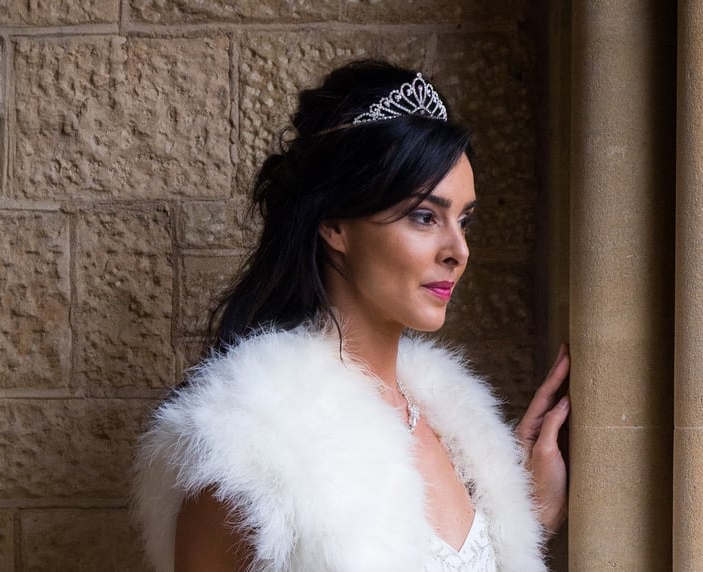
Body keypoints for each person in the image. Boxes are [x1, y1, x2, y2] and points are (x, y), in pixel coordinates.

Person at [134, 59, 570, 572]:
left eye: (464, 220)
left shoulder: (460, 436)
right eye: (424, 216)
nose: (459, 251)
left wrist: (524, 518)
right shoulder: (252, 449)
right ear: (335, 225)